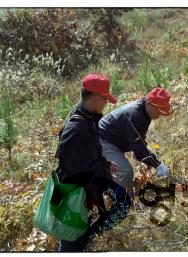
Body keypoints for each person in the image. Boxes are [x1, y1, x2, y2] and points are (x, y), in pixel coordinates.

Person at [55, 73, 131, 252]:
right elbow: (77, 169)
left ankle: (87, 238)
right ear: (95, 98)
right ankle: (88, 238)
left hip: (84, 186)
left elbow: (87, 154)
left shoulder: (86, 116)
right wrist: (106, 176)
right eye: (105, 99)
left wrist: (104, 164)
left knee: (122, 204)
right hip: (76, 191)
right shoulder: (78, 127)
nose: (106, 103)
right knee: (73, 236)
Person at [99, 87, 172, 200]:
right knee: (125, 170)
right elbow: (139, 149)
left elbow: (139, 144)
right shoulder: (135, 115)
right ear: (149, 103)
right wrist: (158, 165)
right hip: (102, 140)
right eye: (158, 110)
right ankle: (120, 207)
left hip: (111, 141)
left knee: (118, 171)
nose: (160, 114)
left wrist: (152, 162)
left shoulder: (144, 112)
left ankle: (119, 199)